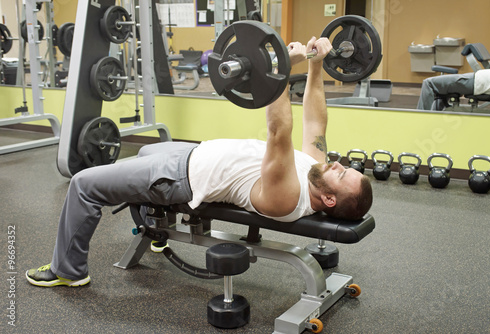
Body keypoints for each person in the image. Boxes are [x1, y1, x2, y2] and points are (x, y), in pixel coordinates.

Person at [26, 36, 373, 288]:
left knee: (83, 184)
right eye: (345, 167)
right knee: (146, 151)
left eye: (342, 174)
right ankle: (157, 229)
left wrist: (280, 66)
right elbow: (315, 122)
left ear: (329, 200)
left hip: (177, 178)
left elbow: (278, 129)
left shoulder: (288, 197)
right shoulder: (316, 172)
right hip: (189, 154)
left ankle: (68, 271)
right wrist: (315, 64)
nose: (338, 164)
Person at [417, 68, 490, 110]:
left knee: (429, 83)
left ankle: (421, 118)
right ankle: (435, 114)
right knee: (438, 86)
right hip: (476, 79)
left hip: (473, 81)